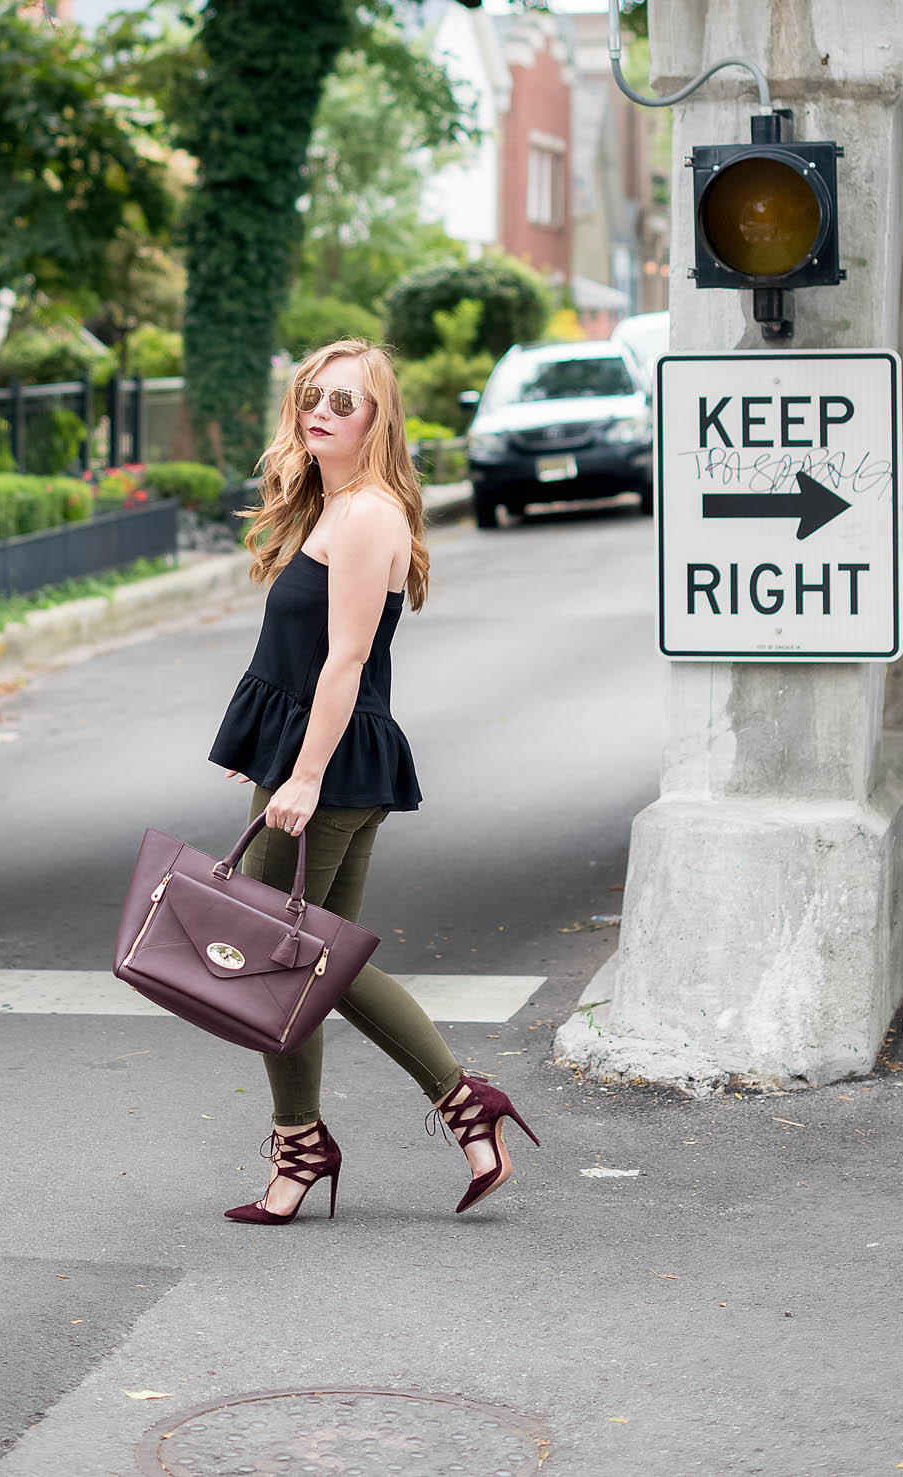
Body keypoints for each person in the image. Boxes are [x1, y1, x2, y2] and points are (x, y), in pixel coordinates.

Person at [207, 337, 541, 1224]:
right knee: (318, 961)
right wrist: (269, 743)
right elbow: (299, 653)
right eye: (313, 393)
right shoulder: (337, 503)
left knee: (284, 964)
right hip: (326, 758)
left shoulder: (366, 517)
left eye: (344, 400)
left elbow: (347, 658)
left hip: (328, 767)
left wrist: (302, 774)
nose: (321, 409)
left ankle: (312, 1141)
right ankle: (453, 1113)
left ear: (378, 417)